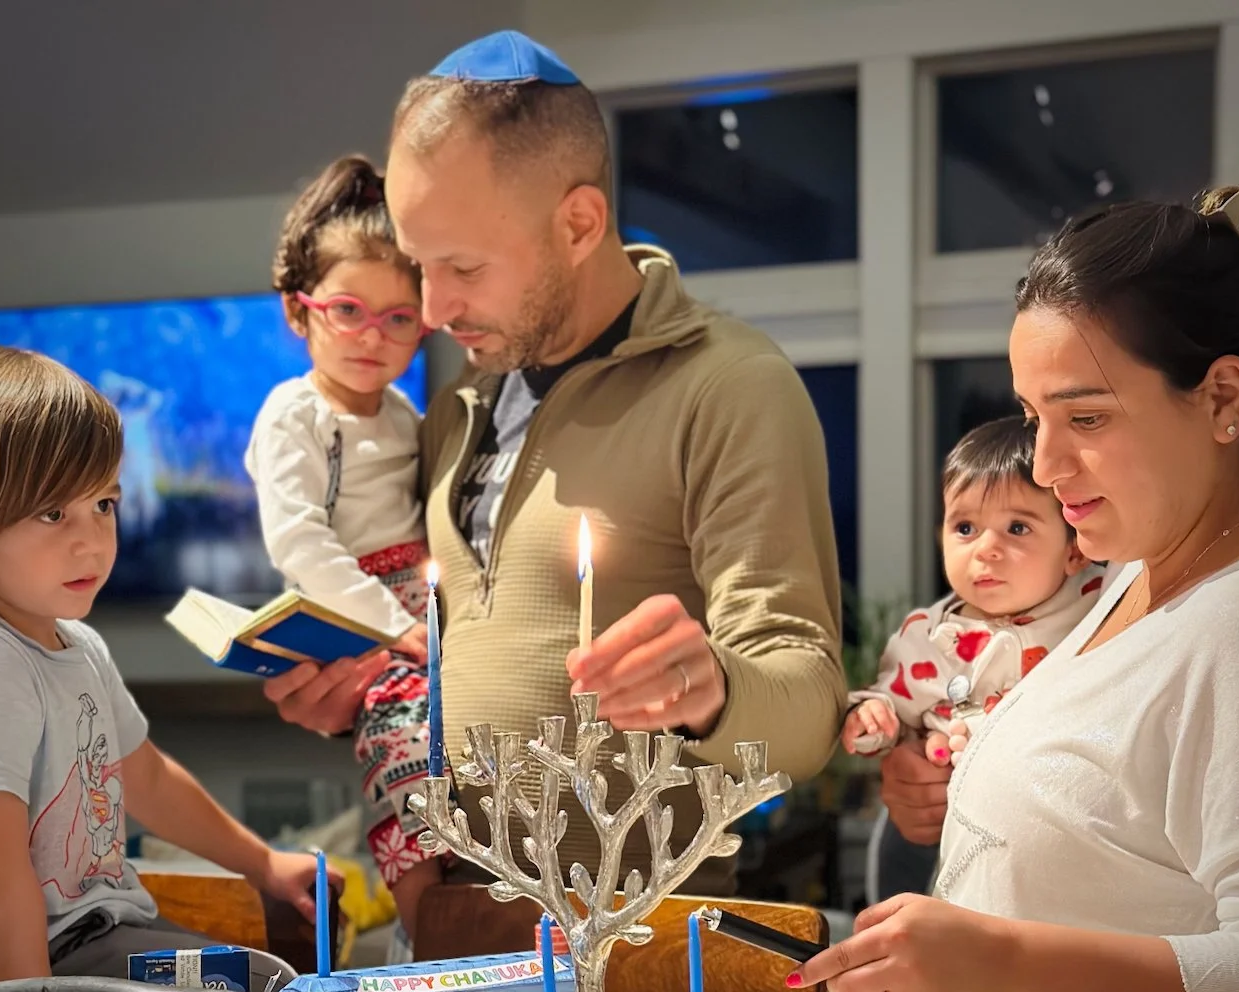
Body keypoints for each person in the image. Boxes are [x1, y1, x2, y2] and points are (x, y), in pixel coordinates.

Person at [264, 31, 846, 898]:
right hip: (447, 935)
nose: (432, 308)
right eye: (420, 266)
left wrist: (714, 687)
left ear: (578, 223)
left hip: (633, 948)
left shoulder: (729, 388)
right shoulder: (459, 405)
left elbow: (809, 700)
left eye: (462, 266)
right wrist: (341, 687)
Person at [789, 187, 1239, 992]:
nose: (1043, 466)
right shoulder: (1129, 577)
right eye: (1032, 415)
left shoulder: (1235, 621)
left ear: (1223, 396)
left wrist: (997, 955)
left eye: (1084, 417)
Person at [0, 345, 339, 986]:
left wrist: (263, 864)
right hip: (52, 962)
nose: (91, 539)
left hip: (110, 932)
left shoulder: (80, 647)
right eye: (53, 513)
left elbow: (148, 779)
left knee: (273, 989)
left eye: (104, 506)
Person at [245, 154, 436, 939]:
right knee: (407, 757)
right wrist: (395, 628)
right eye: (348, 309)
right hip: (360, 621)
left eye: (399, 318)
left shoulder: (405, 416)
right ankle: (432, 933)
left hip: (426, 608)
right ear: (301, 311)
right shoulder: (295, 416)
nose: (372, 336)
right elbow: (301, 542)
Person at [842, 415, 1099, 765]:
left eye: (1018, 528)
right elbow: (893, 705)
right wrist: (874, 716)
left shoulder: (1099, 603)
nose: (985, 548)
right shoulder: (926, 638)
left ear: (1075, 550)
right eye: (965, 528)